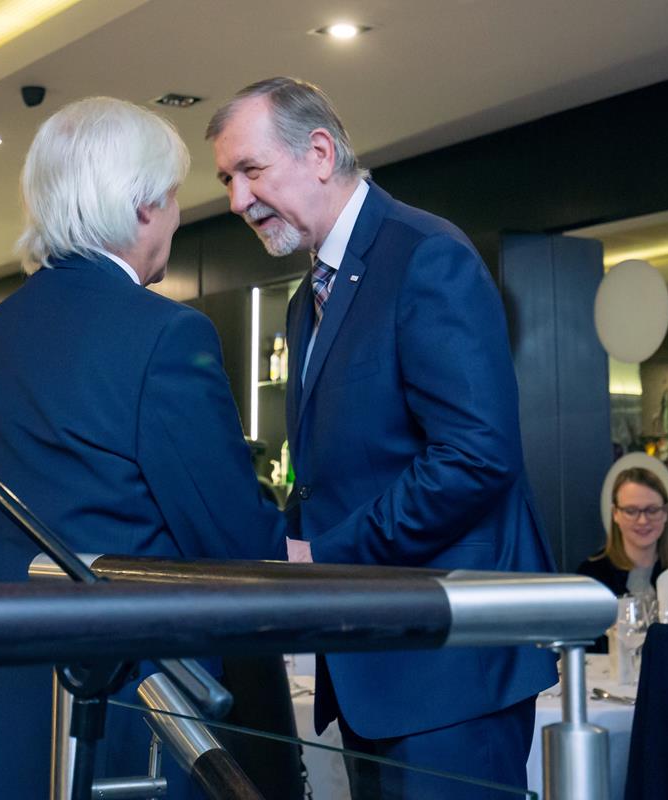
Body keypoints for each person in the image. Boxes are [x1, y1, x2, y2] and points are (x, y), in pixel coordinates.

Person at [0, 97, 294, 799]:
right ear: (143, 205)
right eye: (174, 196)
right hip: (125, 713)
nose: (178, 215)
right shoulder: (166, 334)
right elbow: (231, 540)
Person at [208, 77, 557, 796]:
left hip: (450, 677)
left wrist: (322, 556)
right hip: (370, 667)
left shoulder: (427, 254)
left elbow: (476, 457)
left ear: (319, 152)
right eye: (226, 181)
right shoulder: (306, 299)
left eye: (250, 171)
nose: (237, 201)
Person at [577, 466, 668, 608]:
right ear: (615, 514)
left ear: (665, 513)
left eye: (652, 510)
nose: (643, 521)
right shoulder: (592, 576)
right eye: (631, 511)